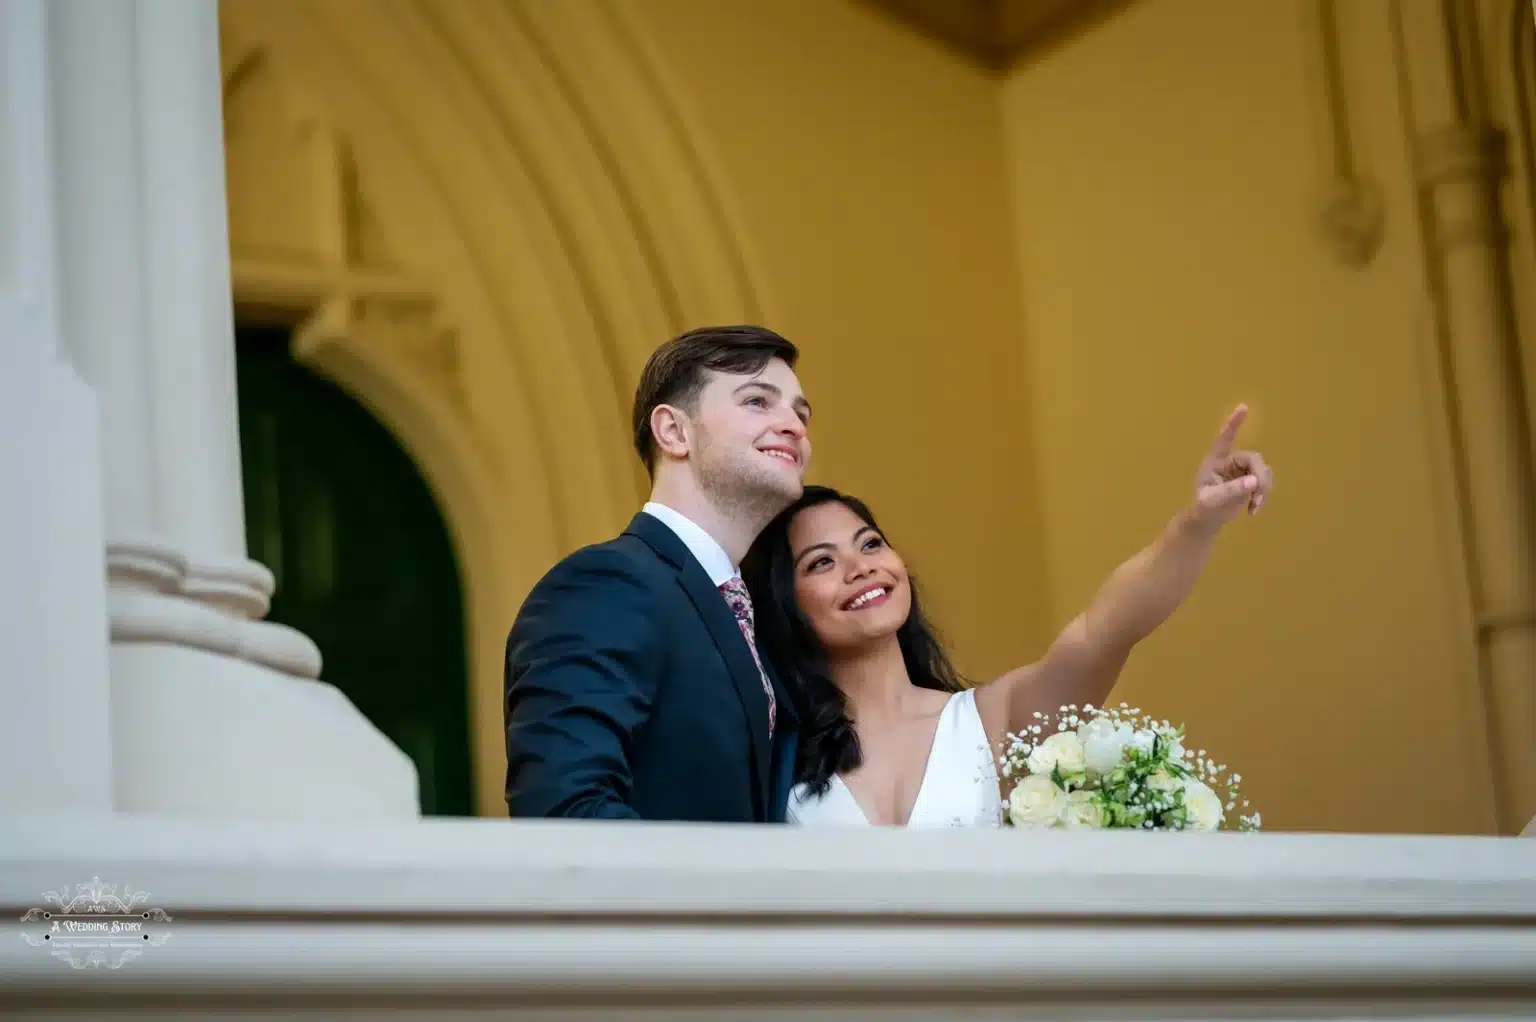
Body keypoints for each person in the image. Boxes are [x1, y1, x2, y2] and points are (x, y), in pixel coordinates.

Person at [740, 405, 1274, 828]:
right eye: (823, 562)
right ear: (783, 603)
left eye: (871, 544)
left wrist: (1199, 520)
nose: (862, 569)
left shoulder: (994, 720)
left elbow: (1104, 630)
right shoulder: (769, 751)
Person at [503, 325, 811, 821]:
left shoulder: (752, 610)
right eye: (758, 401)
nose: (794, 426)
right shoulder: (606, 585)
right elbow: (566, 812)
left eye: (801, 412)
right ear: (673, 431)